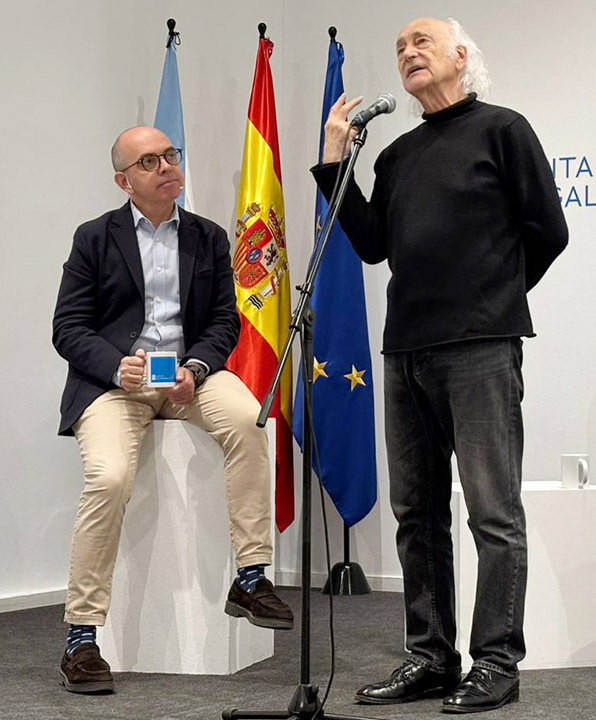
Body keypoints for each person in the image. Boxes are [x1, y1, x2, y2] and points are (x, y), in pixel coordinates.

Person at [313, 17, 567, 714]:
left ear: (461, 55)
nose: (408, 52)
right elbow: (371, 245)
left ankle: (497, 663)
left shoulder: (503, 130)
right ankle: (430, 657)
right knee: (416, 513)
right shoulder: (397, 155)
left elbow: (549, 230)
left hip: (481, 346)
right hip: (405, 350)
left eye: (421, 41)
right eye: (399, 47)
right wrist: (335, 160)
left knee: (492, 511)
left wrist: (492, 299)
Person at [53, 126, 293, 695]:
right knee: (109, 477)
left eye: (170, 155)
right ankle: (81, 637)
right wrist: (117, 367)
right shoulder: (94, 237)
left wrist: (199, 368)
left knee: (249, 420)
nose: (166, 166)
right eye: (149, 161)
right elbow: (68, 327)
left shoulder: (208, 236)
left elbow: (225, 321)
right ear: (124, 181)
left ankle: (251, 576)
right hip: (116, 384)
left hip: (189, 378)